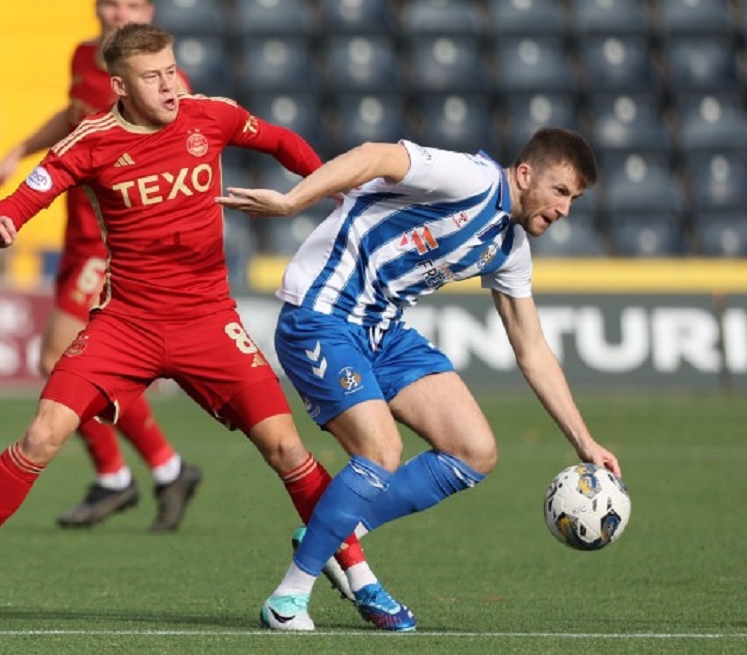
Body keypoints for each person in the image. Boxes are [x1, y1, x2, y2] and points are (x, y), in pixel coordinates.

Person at [0, 23, 415, 631]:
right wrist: (2, 222)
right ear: (119, 85)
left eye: (172, 70)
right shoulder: (91, 139)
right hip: (127, 324)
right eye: (153, 76)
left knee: (286, 448)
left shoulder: (211, 117)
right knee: (41, 436)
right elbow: (33, 191)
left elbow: (278, 140)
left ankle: (361, 578)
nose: (170, 84)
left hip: (209, 322)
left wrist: (329, 190)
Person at [217, 128, 623, 631]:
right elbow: (375, 156)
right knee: (381, 451)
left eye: (574, 200)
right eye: (560, 191)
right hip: (321, 312)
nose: (564, 210)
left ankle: (336, 533)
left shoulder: (510, 247)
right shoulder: (471, 178)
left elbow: (533, 349)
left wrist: (584, 440)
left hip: (382, 328)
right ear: (524, 175)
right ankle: (288, 599)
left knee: (474, 450)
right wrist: (292, 201)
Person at [0, 0, 200, 532]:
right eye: (109, 5)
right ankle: (165, 470)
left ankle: (118, 476)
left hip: (112, 241)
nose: (116, 15)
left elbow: (187, 154)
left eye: (130, 6)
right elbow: (72, 115)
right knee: (73, 367)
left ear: (148, 10)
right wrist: (21, 150)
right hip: (77, 234)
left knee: (59, 358)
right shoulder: (85, 56)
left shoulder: (164, 83)